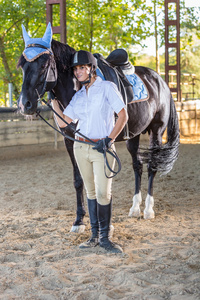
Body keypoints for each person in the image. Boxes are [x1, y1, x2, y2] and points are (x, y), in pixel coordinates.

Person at [51, 50, 128, 253]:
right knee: (91, 192)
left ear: (91, 68)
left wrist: (109, 139)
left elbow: (123, 115)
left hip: (101, 147)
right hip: (80, 147)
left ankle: (105, 238)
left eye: (82, 68)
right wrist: (52, 102)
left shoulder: (107, 88)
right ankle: (94, 236)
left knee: (104, 192)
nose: (78, 72)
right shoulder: (78, 96)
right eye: (76, 69)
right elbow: (63, 122)